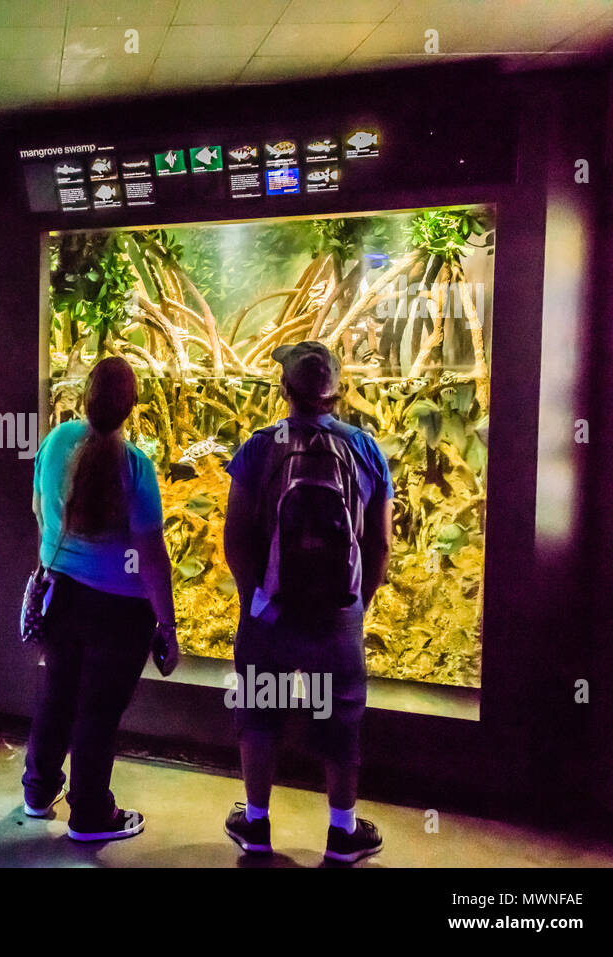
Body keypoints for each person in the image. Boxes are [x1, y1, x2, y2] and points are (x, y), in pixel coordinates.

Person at [221, 340, 392, 864]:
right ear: (337, 393)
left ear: (284, 390)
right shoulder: (366, 449)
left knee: (260, 711)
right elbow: (381, 543)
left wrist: (256, 596)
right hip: (337, 614)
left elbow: (234, 535)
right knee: (341, 717)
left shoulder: (259, 448)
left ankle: (256, 825)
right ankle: (342, 833)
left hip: (269, 611)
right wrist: (356, 603)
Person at [23, 355, 179, 842]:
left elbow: (38, 511)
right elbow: (151, 558)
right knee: (99, 710)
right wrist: (168, 628)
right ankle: (90, 815)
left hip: (61, 597)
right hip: (118, 612)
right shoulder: (135, 467)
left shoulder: (56, 441)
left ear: (84, 395)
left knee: (58, 696)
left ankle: (37, 791)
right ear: (132, 405)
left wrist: (58, 561)